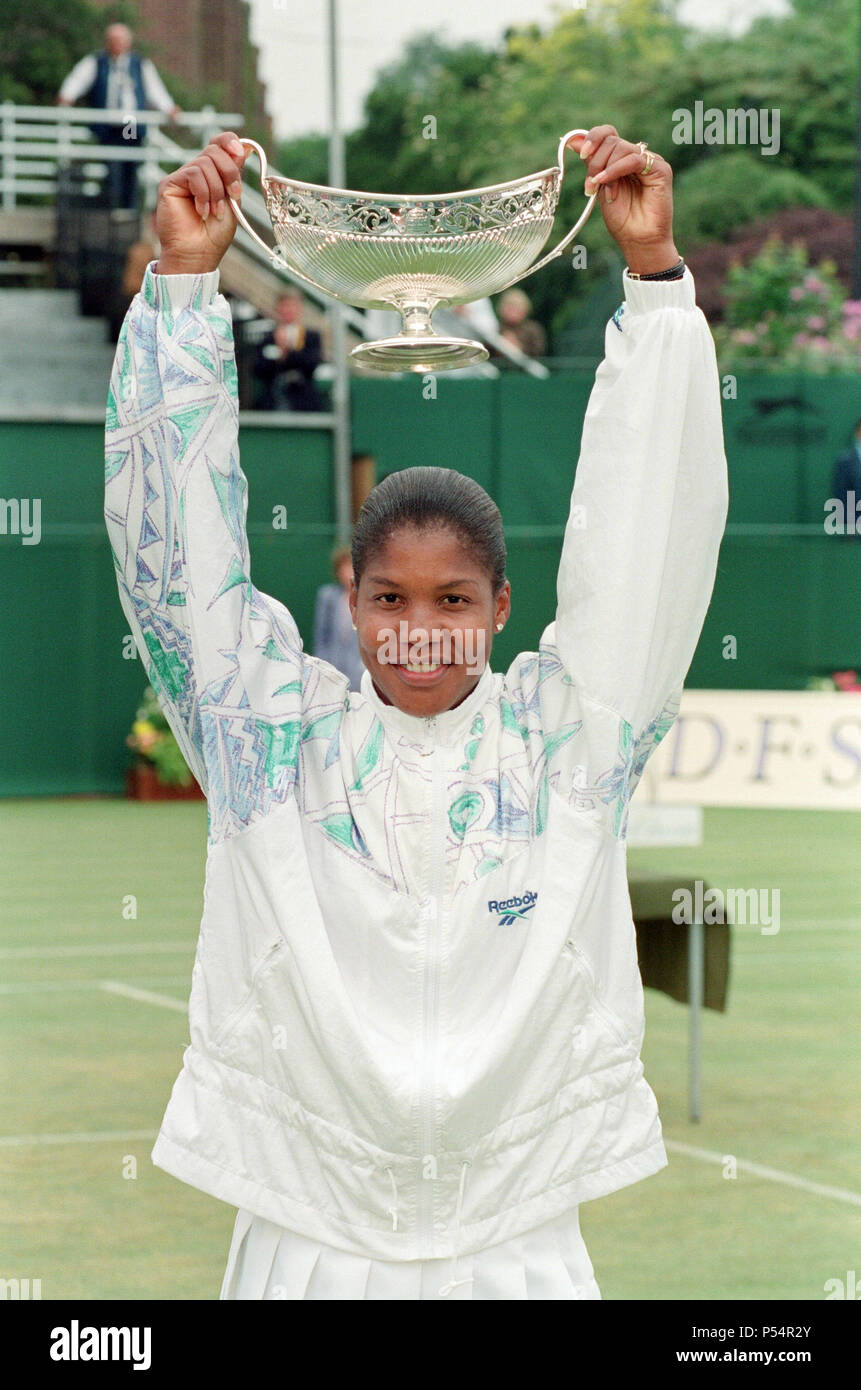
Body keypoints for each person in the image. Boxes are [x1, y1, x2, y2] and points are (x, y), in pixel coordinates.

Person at [104, 128, 728, 1300]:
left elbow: (647, 543)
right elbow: (178, 576)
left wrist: (652, 286)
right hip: (311, 1234)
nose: (420, 628)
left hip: (516, 1233)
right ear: (352, 601)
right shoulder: (275, 750)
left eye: (453, 599)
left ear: (502, 607)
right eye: (389, 599)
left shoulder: (568, 747)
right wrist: (186, 290)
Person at [57, 23, 181, 211]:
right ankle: (113, 207)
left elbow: (154, 89)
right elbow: (78, 80)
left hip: (129, 123)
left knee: (130, 165)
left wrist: (169, 107)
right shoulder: (97, 62)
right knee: (112, 166)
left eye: (120, 40)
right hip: (107, 124)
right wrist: (67, 95)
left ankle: (128, 208)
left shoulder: (139, 64)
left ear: (128, 42)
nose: (117, 44)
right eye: (113, 40)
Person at [254, 289, 325, 411]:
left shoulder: (311, 336)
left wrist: (286, 351)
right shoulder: (268, 338)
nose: (288, 310)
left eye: (292, 306)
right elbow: (259, 368)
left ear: (300, 309)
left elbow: (312, 364)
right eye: (284, 305)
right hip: (273, 399)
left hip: (304, 401)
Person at [313, 546, 364, 692]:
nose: (347, 572)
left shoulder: (368, 598)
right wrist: (322, 668)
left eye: (351, 567)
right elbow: (322, 636)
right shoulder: (327, 596)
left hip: (360, 673)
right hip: (332, 670)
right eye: (344, 567)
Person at [831, 418, 861, 539]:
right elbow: (842, 495)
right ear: (857, 433)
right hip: (854, 530)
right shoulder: (844, 461)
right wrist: (850, 527)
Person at [495, 288, 547, 358]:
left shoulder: (533, 330)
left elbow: (539, 352)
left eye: (516, 307)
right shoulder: (494, 328)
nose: (512, 312)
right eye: (509, 307)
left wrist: (519, 347)